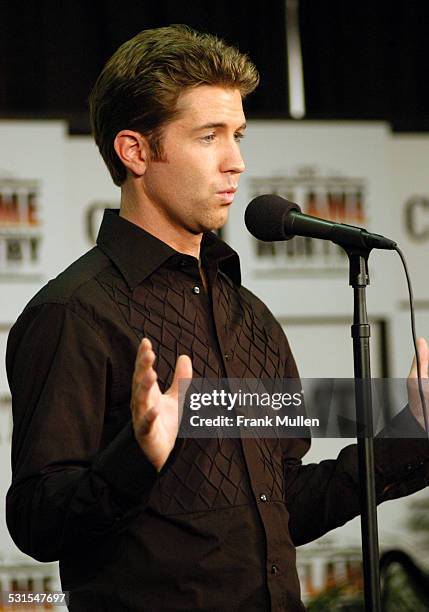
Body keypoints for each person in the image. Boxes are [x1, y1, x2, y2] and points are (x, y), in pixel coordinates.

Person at [5, 25, 429, 612]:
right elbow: (35, 520)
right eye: (209, 136)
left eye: (238, 134)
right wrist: (137, 457)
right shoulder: (74, 312)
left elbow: (281, 504)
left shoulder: (249, 316)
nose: (237, 162)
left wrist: (413, 435)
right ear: (136, 151)